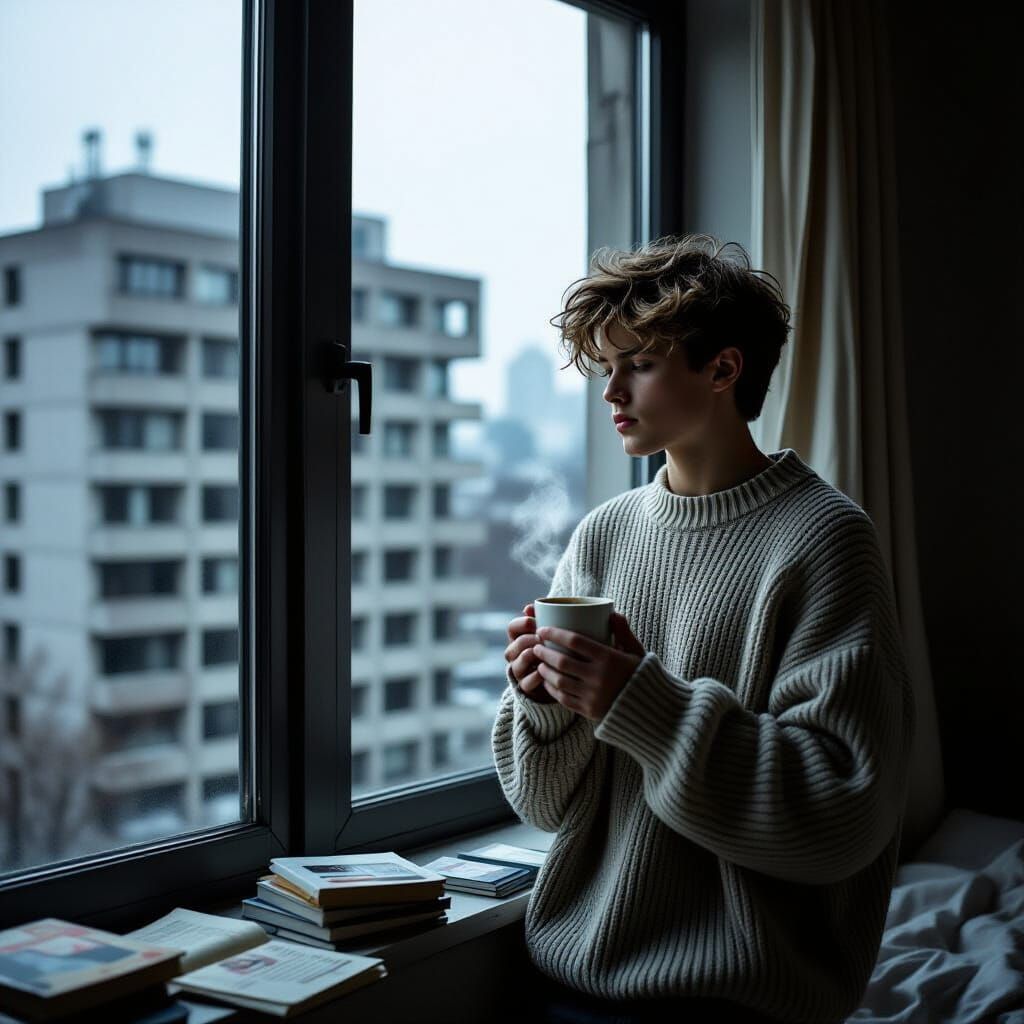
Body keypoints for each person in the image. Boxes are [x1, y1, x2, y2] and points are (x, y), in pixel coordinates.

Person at [492, 234, 915, 1024]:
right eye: (606, 367)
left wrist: (639, 703)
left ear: (723, 370)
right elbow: (546, 809)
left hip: (736, 1000)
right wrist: (546, 705)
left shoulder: (824, 540)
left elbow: (840, 816)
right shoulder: (604, 534)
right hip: (566, 978)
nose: (611, 391)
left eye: (639, 365)